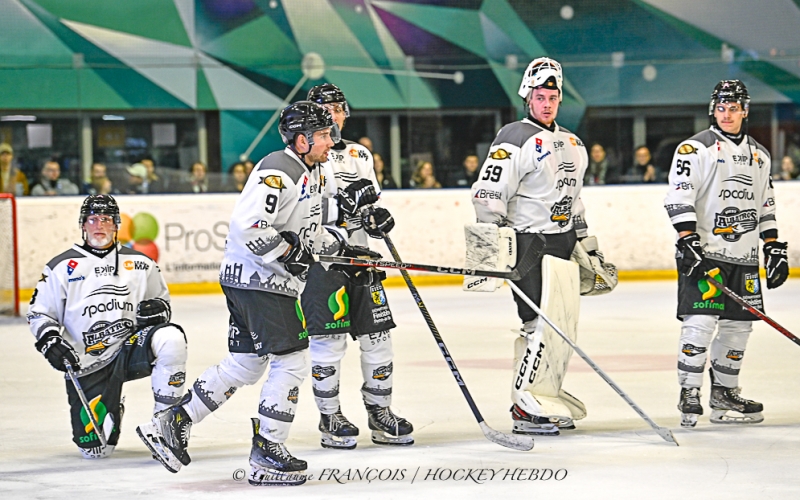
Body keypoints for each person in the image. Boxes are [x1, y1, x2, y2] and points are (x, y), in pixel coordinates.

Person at [136, 101, 361, 486]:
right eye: (323, 135)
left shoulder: (313, 172)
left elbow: (306, 234)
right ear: (302, 139)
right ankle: (267, 452)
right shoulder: (279, 170)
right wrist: (290, 253)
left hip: (258, 281)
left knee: (246, 364)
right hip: (261, 281)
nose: (331, 142)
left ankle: (174, 421)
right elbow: (250, 228)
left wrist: (344, 248)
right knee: (291, 361)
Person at [471, 57, 595, 436]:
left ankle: (543, 392)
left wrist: (588, 245)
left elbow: (575, 201)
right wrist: (491, 246)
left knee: (560, 328)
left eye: (553, 96)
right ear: (528, 97)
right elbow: (489, 193)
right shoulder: (514, 137)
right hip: (528, 244)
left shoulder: (573, 142)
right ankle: (524, 406)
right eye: (541, 96)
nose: (547, 103)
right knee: (537, 325)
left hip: (563, 244)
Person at [665, 80, 788, 428]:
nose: (727, 114)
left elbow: (765, 205)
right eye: (721, 108)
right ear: (712, 110)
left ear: (745, 111)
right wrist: (687, 238)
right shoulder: (695, 149)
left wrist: (772, 246)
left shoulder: (760, 155)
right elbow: (680, 195)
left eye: (734, 108)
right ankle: (690, 391)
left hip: (744, 257)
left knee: (738, 329)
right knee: (700, 323)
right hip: (706, 255)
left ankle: (724, 394)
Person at [26, 194, 187, 459]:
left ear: (116, 225)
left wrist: (158, 311)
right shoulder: (61, 267)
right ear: (82, 224)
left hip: (130, 350)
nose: (99, 225)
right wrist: (50, 341)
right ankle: (114, 405)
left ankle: (164, 424)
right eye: (92, 219)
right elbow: (40, 312)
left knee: (172, 338)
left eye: (106, 219)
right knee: (96, 450)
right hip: (87, 361)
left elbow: (162, 304)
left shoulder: (141, 264)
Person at [303, 83, 413, 450]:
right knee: (329, 344)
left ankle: (380, 411)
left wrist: (375, 218)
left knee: (379, 340)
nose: (333, 116)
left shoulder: (359, 154)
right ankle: (329, 415)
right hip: (325, 263)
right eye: (325, 110)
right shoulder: (305, 156)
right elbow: (304, 213)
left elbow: (367, 204)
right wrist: (342, 207)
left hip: (361, 261)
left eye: (338, 109)